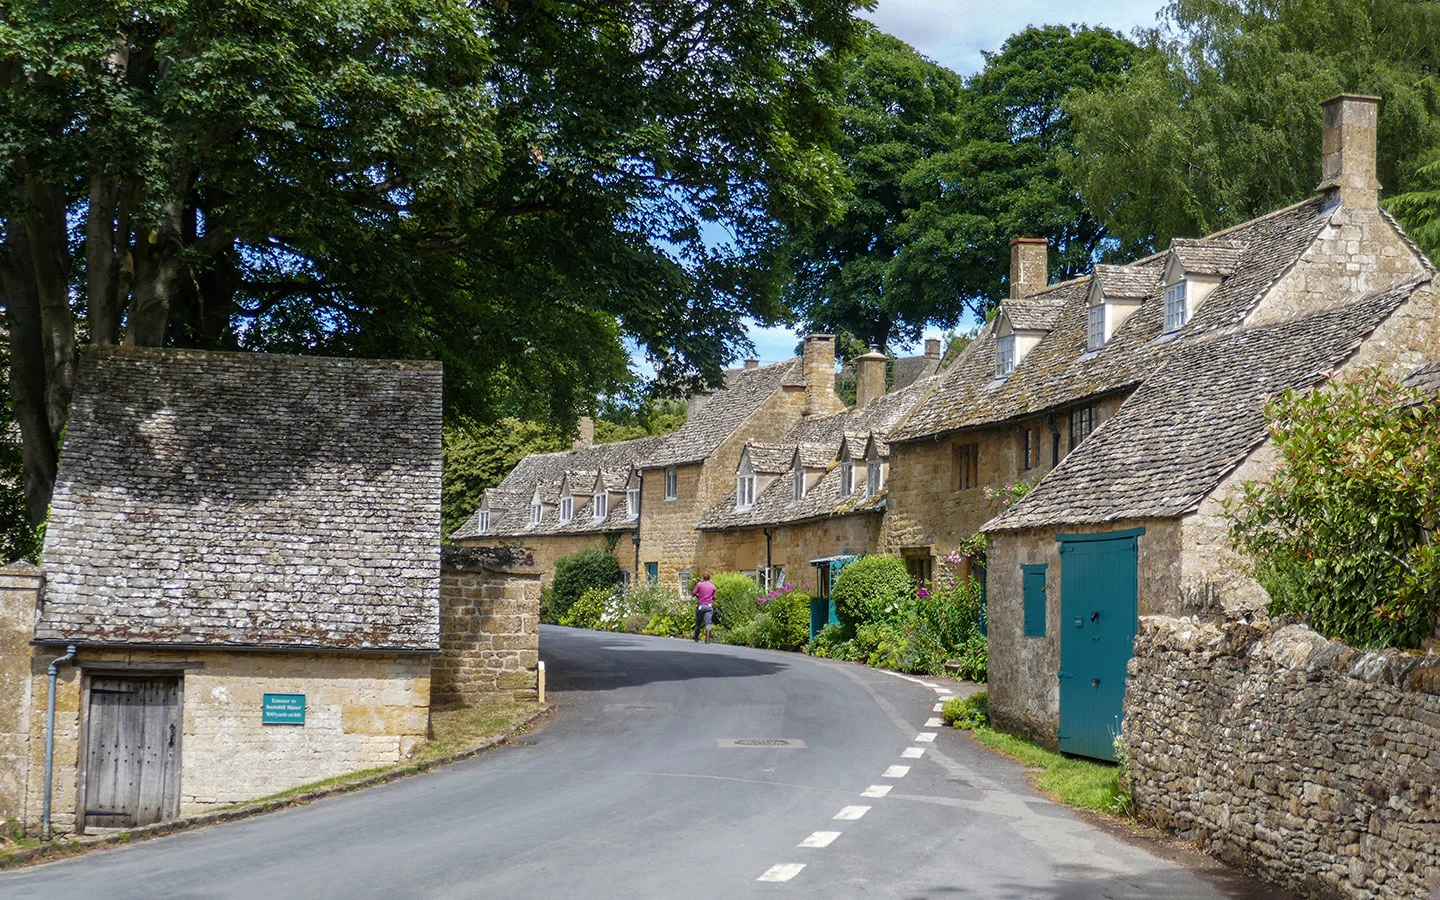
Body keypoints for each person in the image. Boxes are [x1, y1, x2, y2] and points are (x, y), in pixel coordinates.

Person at [691, 572, 716, 643]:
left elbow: (694, 593)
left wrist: (698, 596)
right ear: (709, 578)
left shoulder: (699, 584)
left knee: (698, 621)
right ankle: (707, 639)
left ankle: (696, 637)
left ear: (703, 578)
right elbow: (714, 597)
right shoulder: (712, 586)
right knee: (708, 623)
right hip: (709, 606)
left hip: (701, 605)